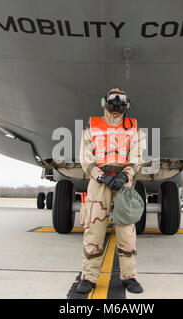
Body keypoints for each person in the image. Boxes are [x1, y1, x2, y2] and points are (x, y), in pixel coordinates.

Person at [77, 88, 147, 294]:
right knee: (94, 230)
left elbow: (137, 157)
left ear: (127, 104)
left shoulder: (134, 129)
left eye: (121, 99)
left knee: (126, 231)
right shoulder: (91, 127)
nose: (116, 103)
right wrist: (100, 175)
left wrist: (125, 175)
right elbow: (85, 156)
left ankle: (129, 277)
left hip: (123, 182)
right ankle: (88, 277)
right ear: (104, 102)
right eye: (112, 98)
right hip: (99, 182)